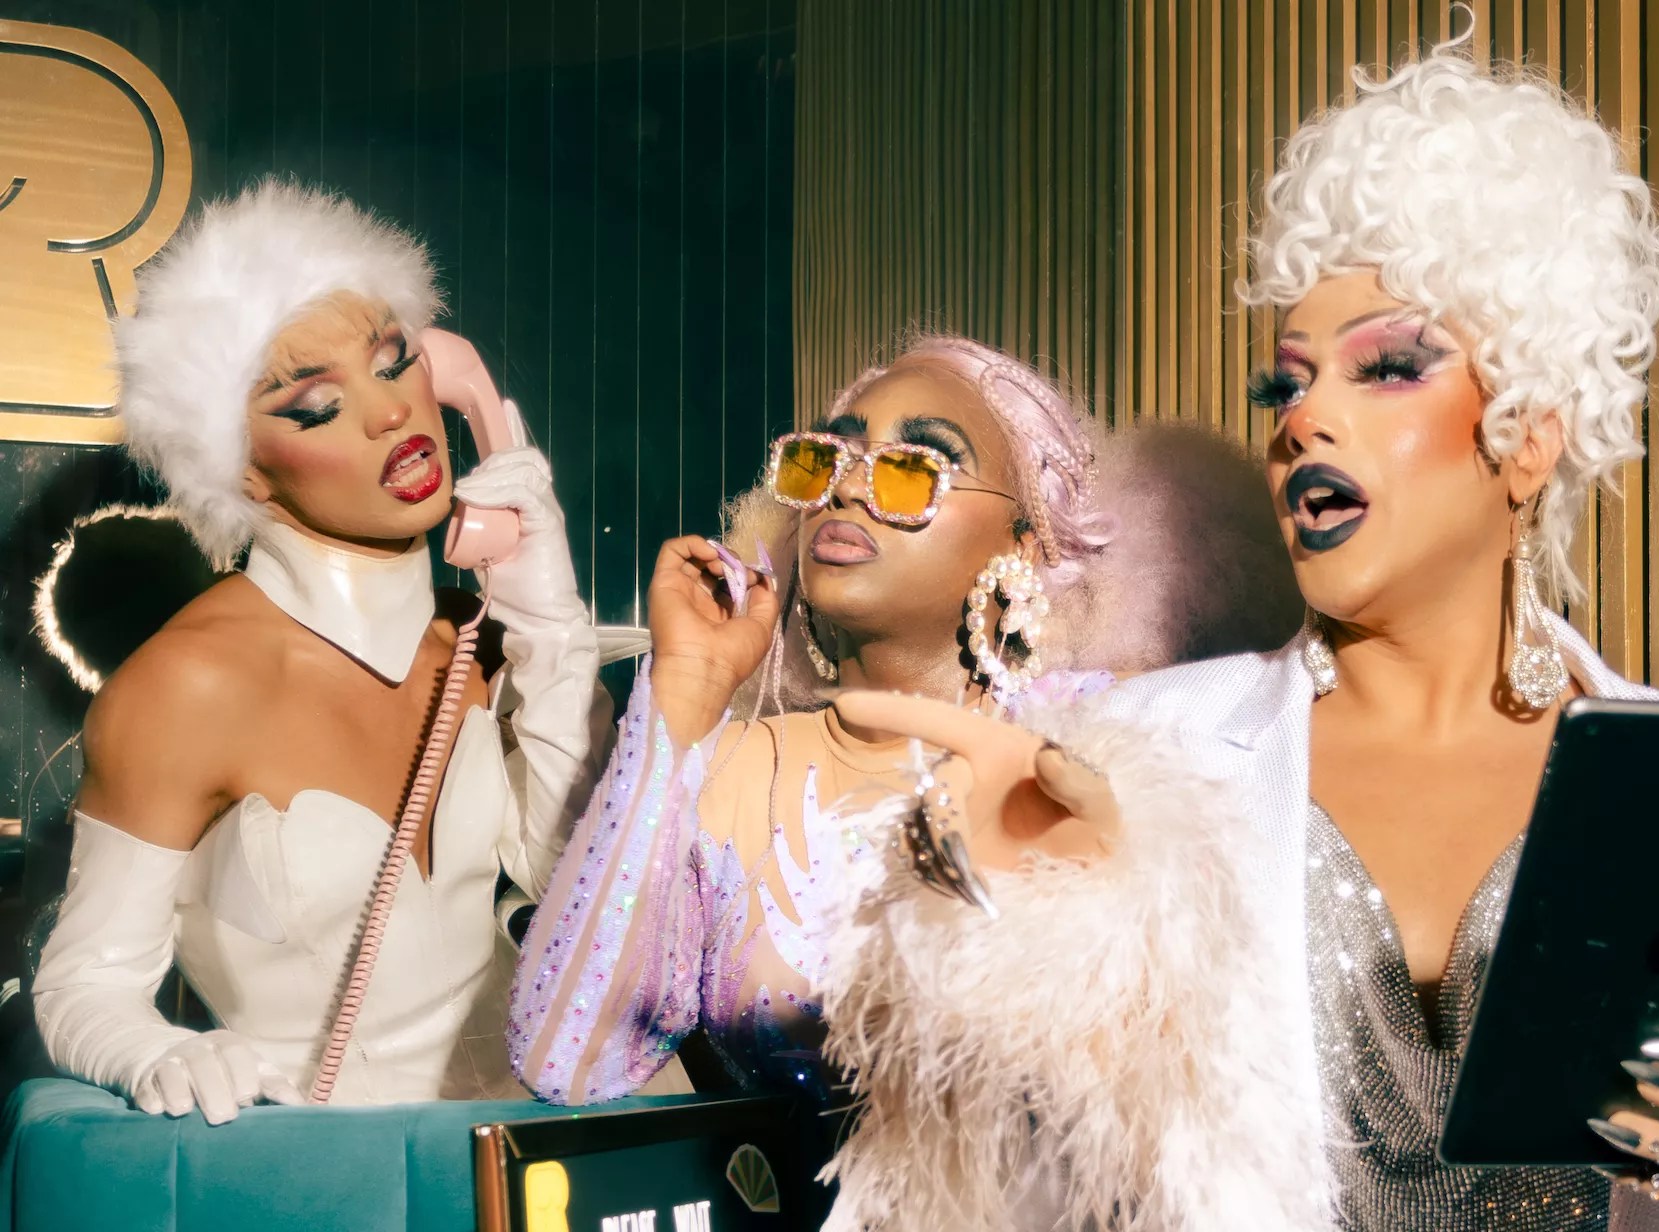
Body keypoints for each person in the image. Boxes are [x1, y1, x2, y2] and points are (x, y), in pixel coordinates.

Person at [815, 40, 1659, 1232]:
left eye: (1384, 367)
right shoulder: (1144, 753)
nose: (1302, 417)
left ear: (1529, 426)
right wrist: (1043, 962)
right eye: (1284, 382)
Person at [506, 336, 1297, 1105]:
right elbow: (567, 1062)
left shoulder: (1109, 739)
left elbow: (1218, 1067)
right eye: (829, 458)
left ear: (1029, 536)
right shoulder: (727, 765)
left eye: (916, 467)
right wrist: (683, 694)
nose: (849, 489)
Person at [33, 181, 606, 1122]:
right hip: (329, 1179)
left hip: (541, 1143)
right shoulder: (186, 686)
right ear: (242, 467)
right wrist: (152, 1051)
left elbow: (573, 880)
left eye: (394, 361)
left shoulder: (484, 638)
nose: (391, 413)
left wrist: (549, 620)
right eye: (315, 406)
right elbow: (81, 986)